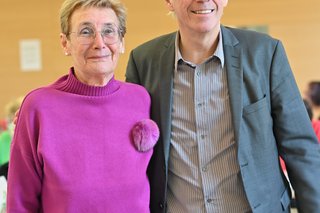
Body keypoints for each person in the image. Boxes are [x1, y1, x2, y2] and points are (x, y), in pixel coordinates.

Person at [125, 0, 320, 212]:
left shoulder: (265, 53)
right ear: (169, 2)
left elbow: (300, 148)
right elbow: (131, 154)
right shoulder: (143, 62)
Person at [7, 0, 159, 212]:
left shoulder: (141, 99)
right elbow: (20, 202)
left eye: (109, 31)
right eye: (86, 32)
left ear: (122, 41)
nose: (99, 42)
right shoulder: (38, 107)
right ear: (65, 43)